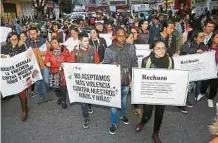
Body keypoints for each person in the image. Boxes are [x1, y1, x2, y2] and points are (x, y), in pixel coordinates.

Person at [135, 40, 173, 143]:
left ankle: (155, 133)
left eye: (164, 48)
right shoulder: (145, 60)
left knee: (159, 115)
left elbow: (173, 76)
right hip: (149, 92)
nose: (162, 50)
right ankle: (143, 122)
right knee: (147, 112)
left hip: (162, 93)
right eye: (158, 48)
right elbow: (141, 77)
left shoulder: (170, 60)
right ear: (153, 49)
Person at [103, 27, 138, 135]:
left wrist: (134, 77)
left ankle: (122, 115)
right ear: (115, 36)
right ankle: (113, 122)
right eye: (119, 35)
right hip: (114, 80)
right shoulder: (109, 49)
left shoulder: (130, 47)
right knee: (114, 103)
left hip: (127, 79)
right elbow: (105, 65)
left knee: (123, 100)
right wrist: (111, 64)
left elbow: (134, 62)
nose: (122, 38)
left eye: (123, 35)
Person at [71, 33, 100, 129]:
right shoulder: (75, 51)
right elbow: (70, 63)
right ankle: (86, 117)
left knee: (90, 95)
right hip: (80, 80)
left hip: (91, 78)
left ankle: (90, 105)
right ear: (79, 41)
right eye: (85, 41)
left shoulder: (93, 50)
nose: (87, 42)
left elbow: (97, 62)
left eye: (88, 40)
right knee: (83, 99)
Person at [1, 32, 28, 121]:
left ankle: (24, 110)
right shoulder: (3, 47)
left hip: (20, 73)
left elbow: (26, 58)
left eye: (16, 39)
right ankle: (25, 106)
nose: (14, 41)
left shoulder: (21, 46)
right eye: (12, 39)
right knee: (15, 90)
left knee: (22, 92)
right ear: (9, 39)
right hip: (10, 75)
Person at [179, 29, 208, 113]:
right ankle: (180, 104)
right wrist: (195, 51)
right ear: (195, 38)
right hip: (186, 69)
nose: (203, 37)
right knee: (185, 86)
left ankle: (184, 100)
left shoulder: (202, 44)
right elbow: (182, 49)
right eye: (201, 36)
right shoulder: (188, 43)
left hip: (195, 71)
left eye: (204, 36)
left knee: (189, 87)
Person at [45, 36, 74, 109]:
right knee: (55, 87)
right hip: (53, 71)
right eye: (52, 43)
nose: (54, 44)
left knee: (63, 87)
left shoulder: (64, 50)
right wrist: (47, 62)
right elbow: (46, 59)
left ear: (59, 43)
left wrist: (64, 63)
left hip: (62, 72)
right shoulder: (49, 51)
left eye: (55, 42)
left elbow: (71, 59)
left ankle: (63, 101)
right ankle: (60, 97)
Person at [26, 26, 52, 104]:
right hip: (34, 67)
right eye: (31, 34)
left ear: (37, 33)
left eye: (34, 33)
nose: (33, 35)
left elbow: (49, 51)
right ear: (29, 35)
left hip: (44, 65)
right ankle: (41, 96)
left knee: (46, 81)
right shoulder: (27, 43)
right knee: (38, 82)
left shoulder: (43, 40)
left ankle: (48, 92)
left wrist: (41, 53)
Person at [199, 30, 218, 107]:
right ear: (213, 38)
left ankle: (210, 99)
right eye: (217, 37)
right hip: (206, 70)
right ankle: (202, 93)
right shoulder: (206, 46)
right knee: (204, 84)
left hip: (216, 71)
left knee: (214, 86)